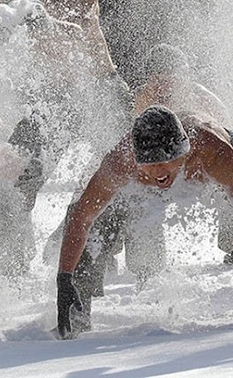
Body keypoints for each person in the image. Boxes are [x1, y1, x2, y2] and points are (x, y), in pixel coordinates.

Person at [0, 0, 133, 279]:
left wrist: (46, 22)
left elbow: (83, 38)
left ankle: (116, 256)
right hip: (50, 99)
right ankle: (8, 268)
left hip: (100, 90)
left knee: (127, 170)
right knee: (10, 177)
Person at [55, 106, 233, 339]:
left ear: (183, 152)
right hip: (138, 184)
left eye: (166, 162)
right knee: (96, 223)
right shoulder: (121, 162)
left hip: (215, 160)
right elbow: (81, 219)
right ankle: (75, 319)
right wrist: (64, 278)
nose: (158, 171)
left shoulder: (213, 154)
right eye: (150, 164)